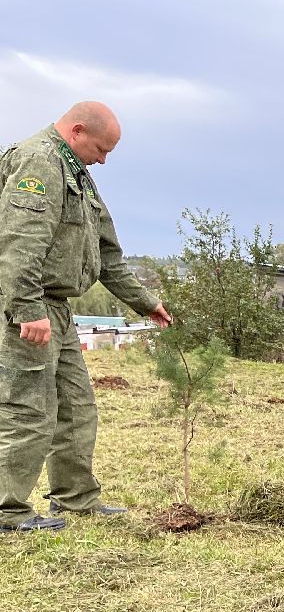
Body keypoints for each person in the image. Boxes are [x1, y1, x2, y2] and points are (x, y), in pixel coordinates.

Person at [0, 102, 172, 533]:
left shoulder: (77, 172)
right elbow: (19, 242)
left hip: (57, 310)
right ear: (77, 131)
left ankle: (76, 498)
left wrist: (145, 302)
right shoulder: (38, 161)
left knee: (76, 407)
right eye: (101, 149)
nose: (104, 160)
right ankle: (7, 511)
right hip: (28, 306)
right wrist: (27, 308)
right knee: (26, 408)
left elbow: (107, 255)